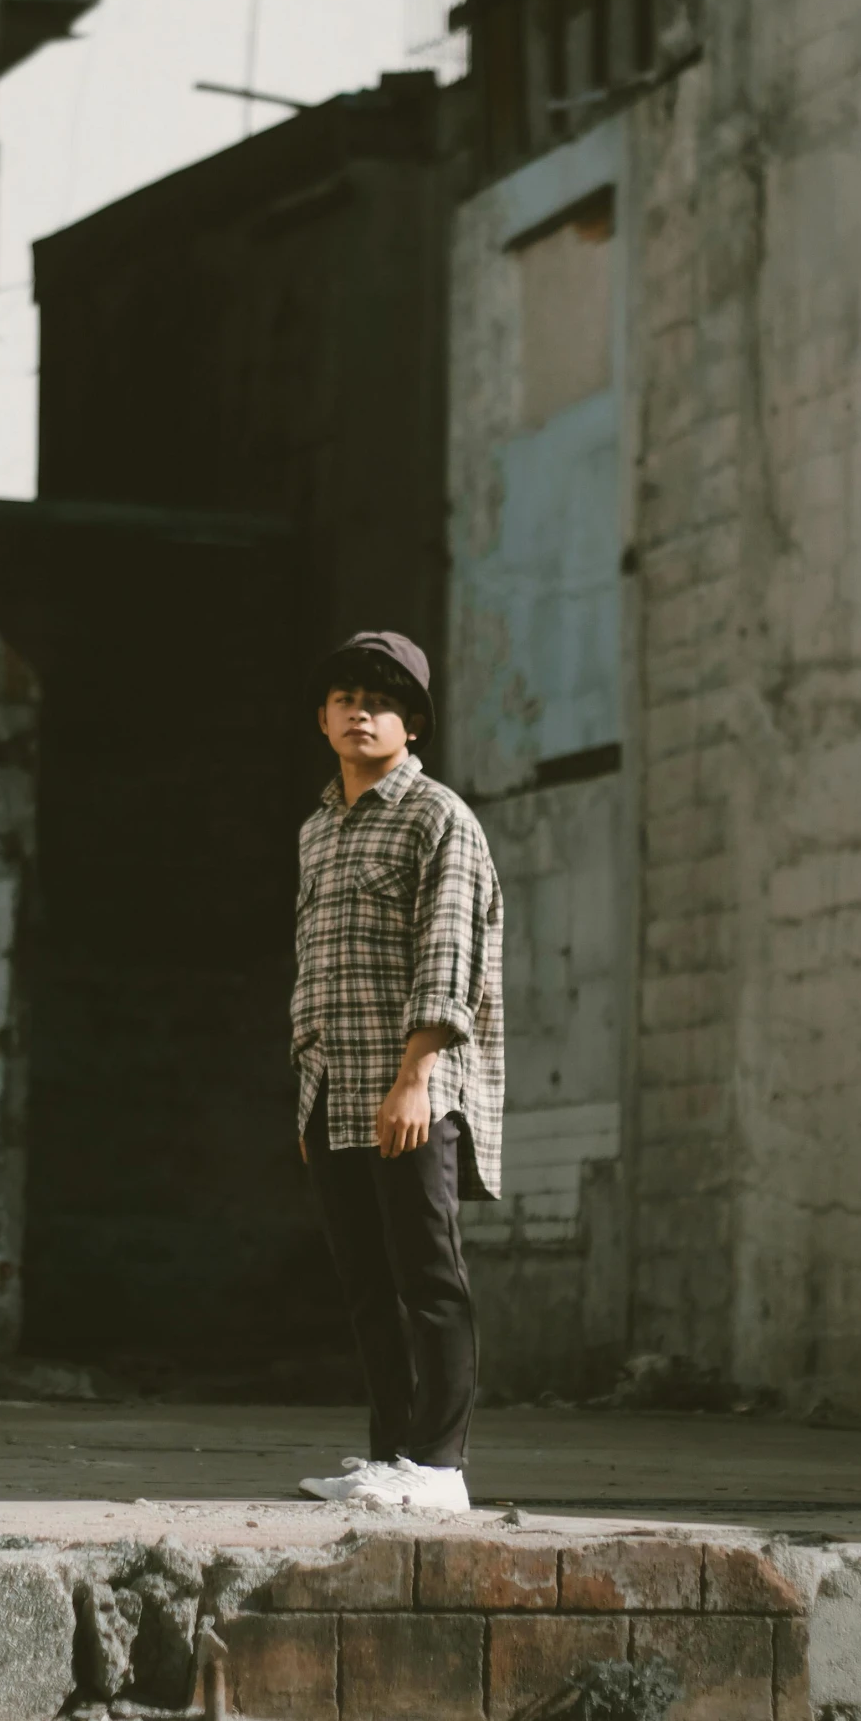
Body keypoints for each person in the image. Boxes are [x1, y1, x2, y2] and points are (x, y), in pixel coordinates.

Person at [292, 630, 503, 1513]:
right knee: (365, 1285)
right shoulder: (316, 829)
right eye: (344, 696)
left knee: (426, 1275)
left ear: (411, 723)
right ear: (322, 716)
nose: (359, 711)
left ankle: (440, 1465)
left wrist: (416, 1074)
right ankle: (391, 1458)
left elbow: (447, 955)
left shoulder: (437, 817)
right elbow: (311, 964)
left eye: (378, 700)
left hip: (411, 1086)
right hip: (333, 1086)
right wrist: (304, 1092)